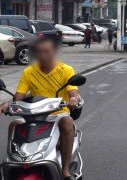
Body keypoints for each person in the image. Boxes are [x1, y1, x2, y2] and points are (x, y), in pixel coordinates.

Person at [1, 38, 80, 178]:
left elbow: (74, 94)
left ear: (54, 52)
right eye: (39, 52)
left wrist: (73, 99)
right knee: (14, 124)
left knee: (67, 121)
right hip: (33, 115)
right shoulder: (29, 72)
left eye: (46, 52)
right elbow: (18, 98)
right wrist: (7, 104)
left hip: (58, 114)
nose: (42, 55)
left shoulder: (66, 70)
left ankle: (65, 171)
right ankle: (14, 164)